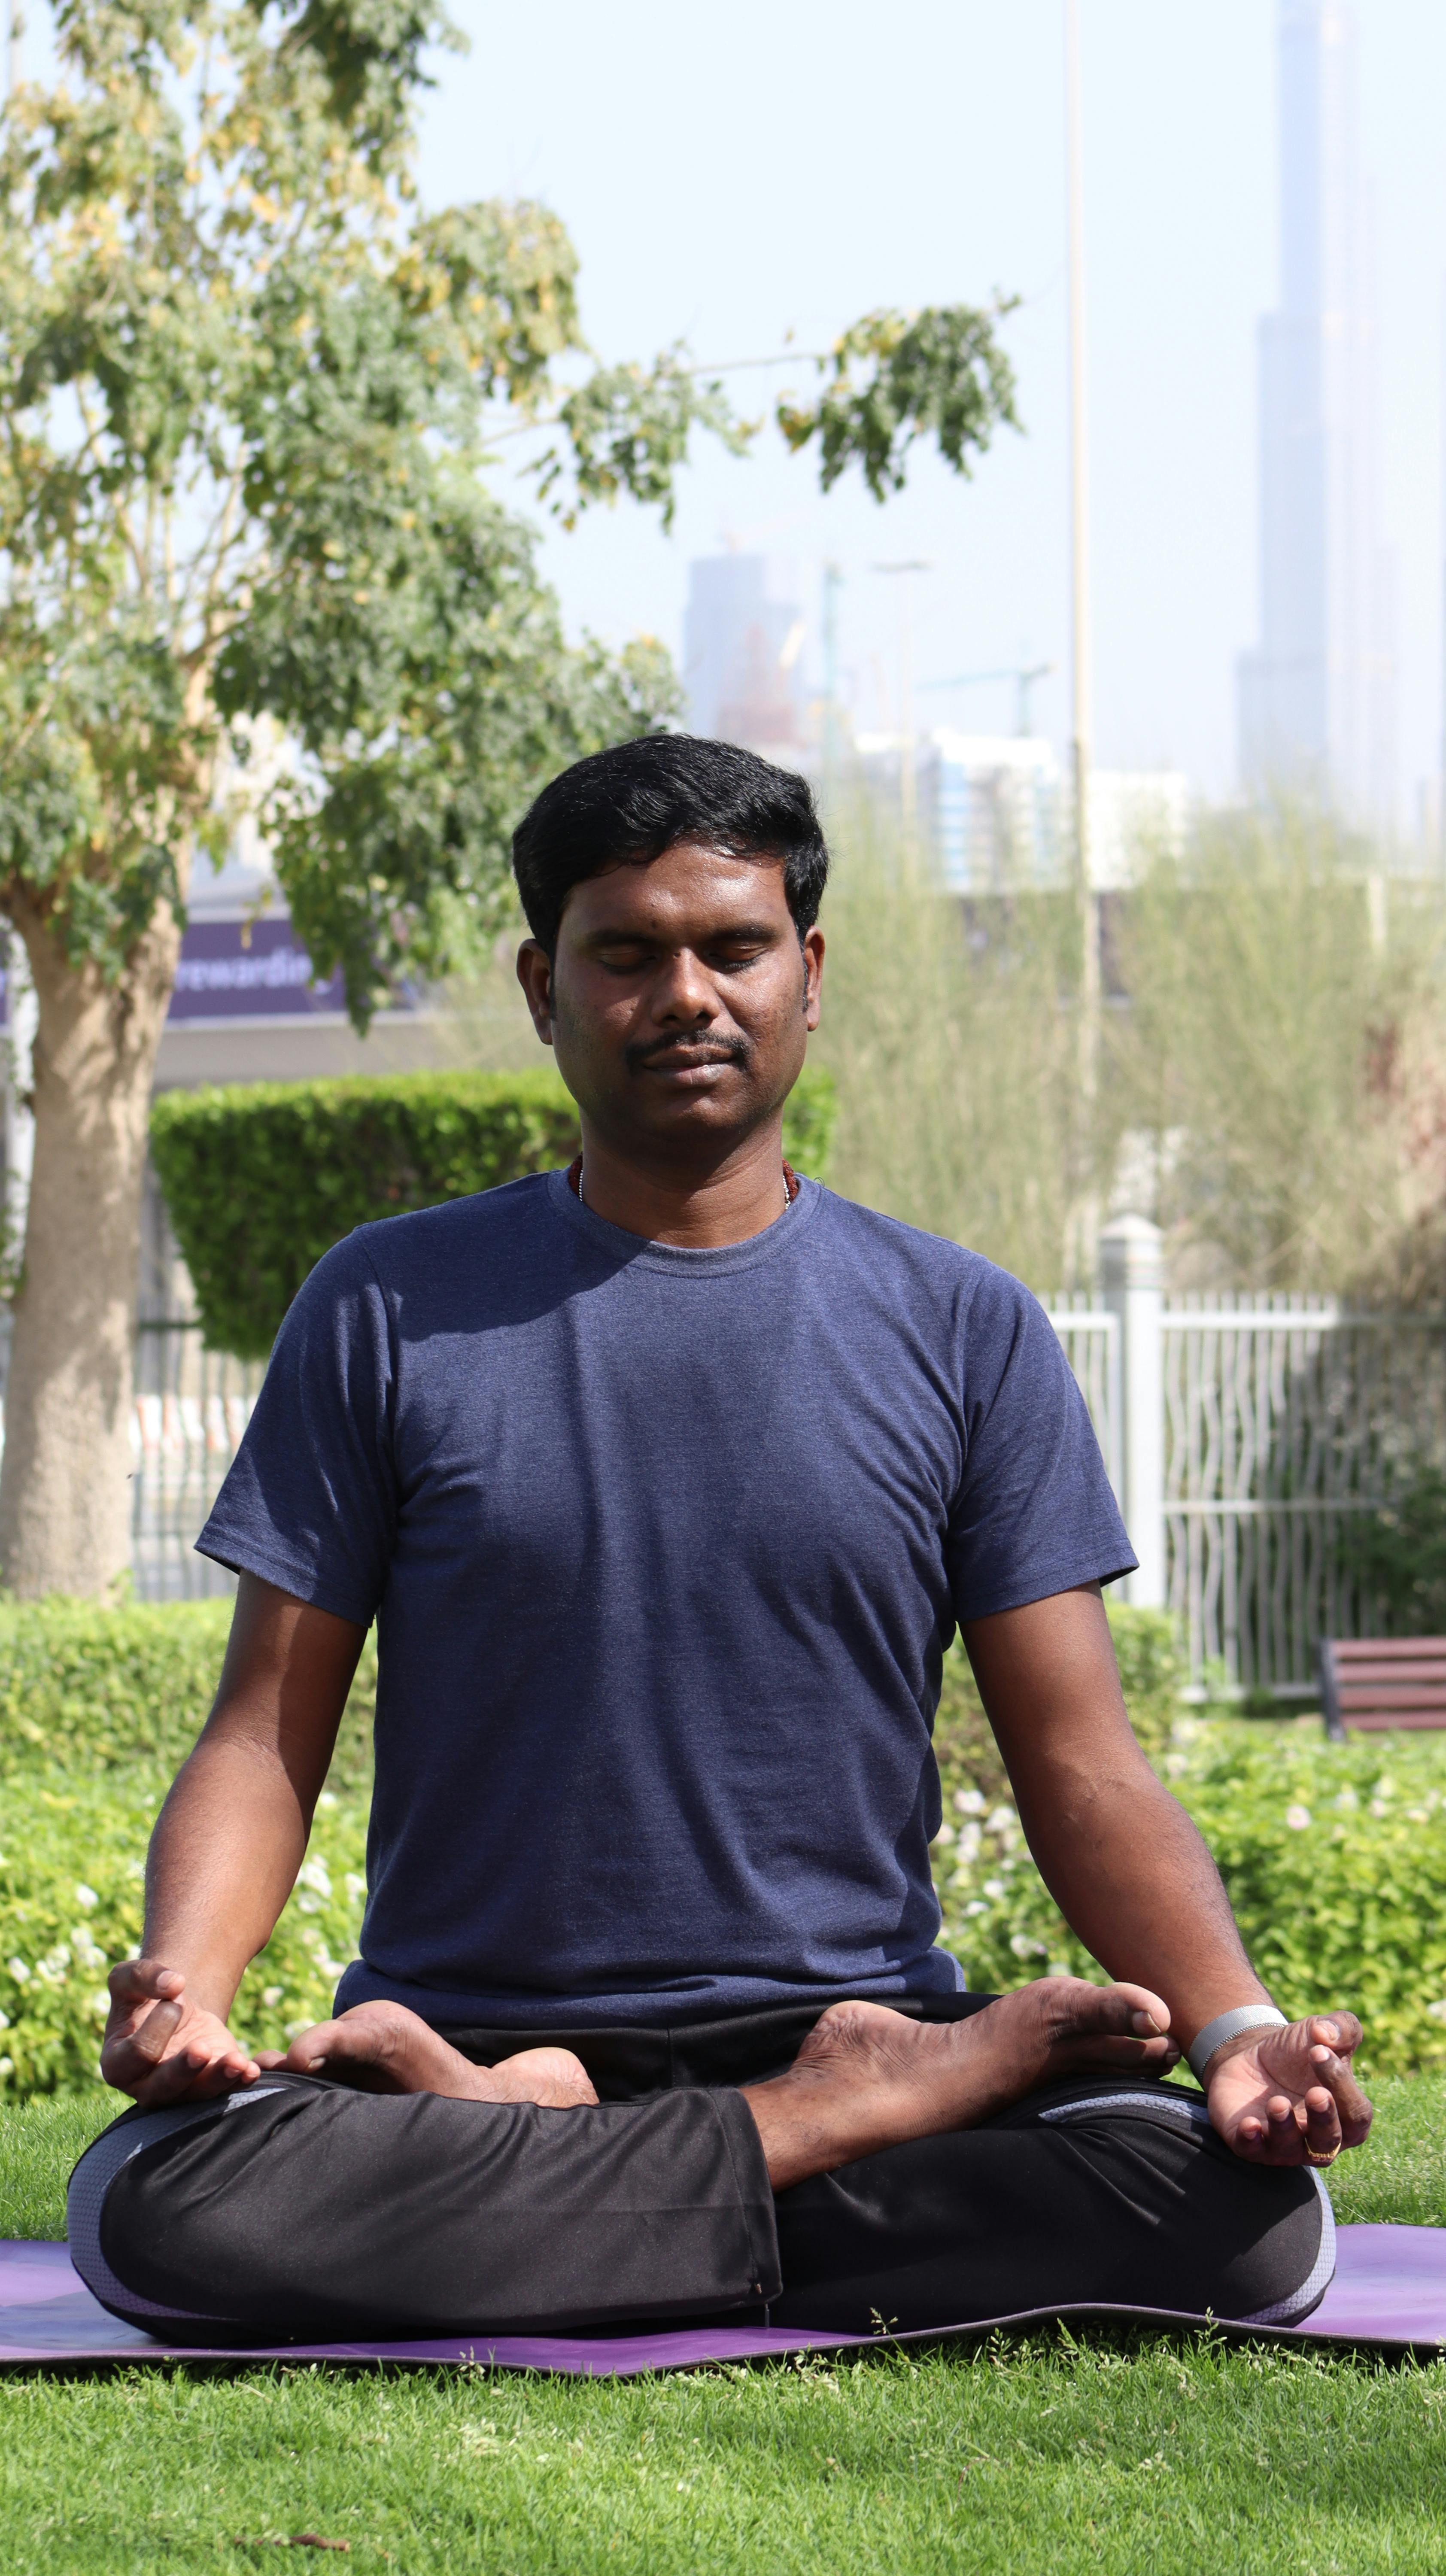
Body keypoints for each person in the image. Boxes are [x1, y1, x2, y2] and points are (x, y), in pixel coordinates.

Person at [70, 736, 1370, 2345]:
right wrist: (185, 1987)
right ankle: (815, 2131)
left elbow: (1085, 1762)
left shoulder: (964, 1328)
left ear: (806, 975)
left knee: (1243, 2226)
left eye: (733, 948)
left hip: (829, 2016)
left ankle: (607, 2158)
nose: (686, 993)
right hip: (492, 2041)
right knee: (158, 2211)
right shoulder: (387, 1306)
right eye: (627, 954)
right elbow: (267, 1728)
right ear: (545, 987)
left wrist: (1236, 2030)